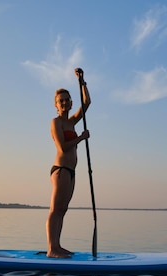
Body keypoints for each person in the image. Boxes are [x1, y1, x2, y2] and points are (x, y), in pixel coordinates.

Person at [46, 69, 91, 258]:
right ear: (56, 105)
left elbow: (87, 102)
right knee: (55, 209)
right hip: (61, 170)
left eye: (67, 99)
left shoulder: (72, 122)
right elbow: (63, 147)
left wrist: (82, 82)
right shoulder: (56, 122)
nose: (64, 102)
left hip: (71, 172)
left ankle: (58, 246)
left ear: (71, 102)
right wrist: (81, 138)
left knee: (63, 210)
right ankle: (51, 249)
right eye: (60, 100)